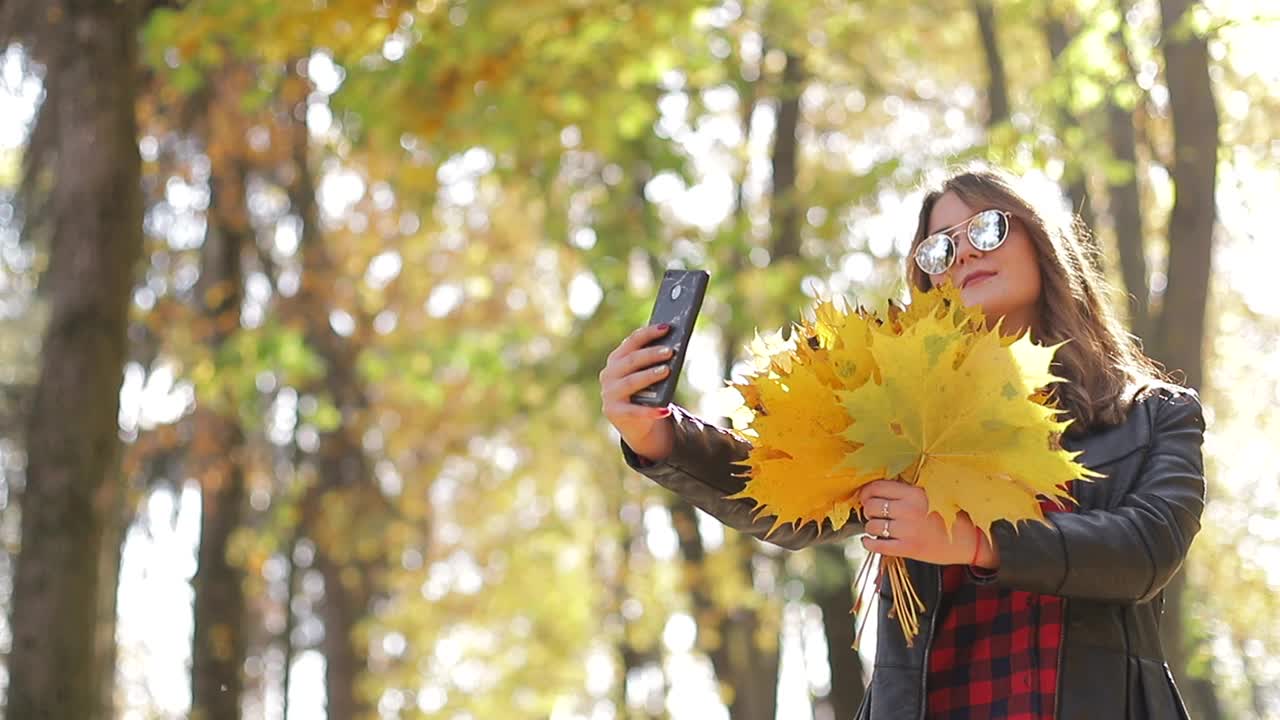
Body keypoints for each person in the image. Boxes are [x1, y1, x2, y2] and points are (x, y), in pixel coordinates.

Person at [598, 164, 1206, 719]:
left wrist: (971, 542)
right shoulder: (905, 407)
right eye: (939, 247)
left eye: (987, 228)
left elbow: (1146, 551)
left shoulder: (1153, 416)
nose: (963, 253)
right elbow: (787, 490)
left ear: (1042, 241)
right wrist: (660, 435)